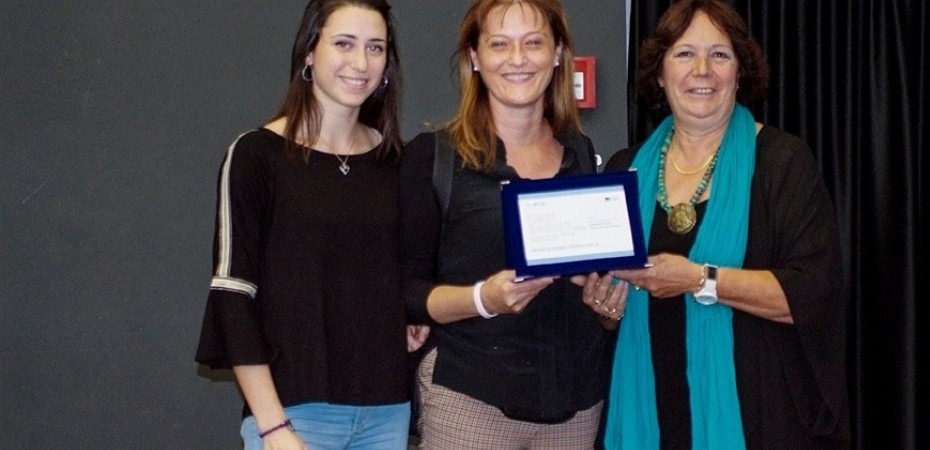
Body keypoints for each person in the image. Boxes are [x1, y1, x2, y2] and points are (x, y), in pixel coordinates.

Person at [601, 0, 850, 448]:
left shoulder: (782, 163)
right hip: (649, 411)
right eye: (684, 54)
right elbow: (609, 317)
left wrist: (700, 279)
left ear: (739, 73)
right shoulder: (625, 170)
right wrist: (606, 308)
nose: (702, 70)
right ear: (660, 74)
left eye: (719, 54)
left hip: (760, 417)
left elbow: (811, 295)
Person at [194, 1, 428, 449]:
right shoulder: (256, 156)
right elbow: (232, 297)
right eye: (344, 44)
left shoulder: (400, 163)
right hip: (294, 414)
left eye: (375, 47)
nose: (360, 63)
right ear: (308, 52)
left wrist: (414, 312)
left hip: (386, 413)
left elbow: (406, 273)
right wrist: (273, 427)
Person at [399, 0, 628, 448]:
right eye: (500, 44)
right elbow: (408, 293)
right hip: (471, 399)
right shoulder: (434, 157)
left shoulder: (581, 154)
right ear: (474, 57)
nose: (518, 59)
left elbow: (596, 285)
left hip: (576, 405)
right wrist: (484, 299)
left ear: (558, 53)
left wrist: (606, 308)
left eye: (533, 43)